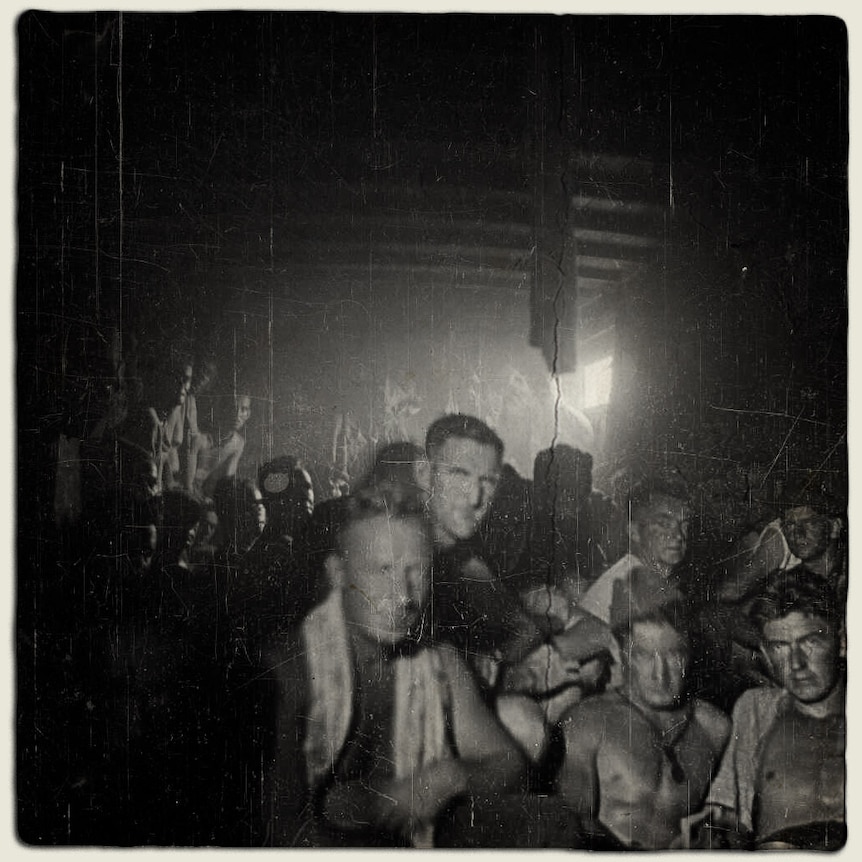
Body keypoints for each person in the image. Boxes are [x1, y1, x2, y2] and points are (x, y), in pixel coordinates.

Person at [262, 481, 528, 847]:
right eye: (382, 570)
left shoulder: (436, 659)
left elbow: (507, 763)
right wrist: (369, 807)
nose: (403, 596)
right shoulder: (287, 673)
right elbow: (274, 833)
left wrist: (447, 777)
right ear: (337, 573)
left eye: (416, 571)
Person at [556, 568, 730, 850]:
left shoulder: (714, 727)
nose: (660, 675)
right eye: (644, 655)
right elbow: (571, 821)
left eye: (674, 655)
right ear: (616, 648)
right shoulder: (588, 720)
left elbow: (723, 823)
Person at [694, 567, 846, 850]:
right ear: (765, 654)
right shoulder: (756, 710)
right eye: (780, 647)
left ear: (842, 640)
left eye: (810, 642)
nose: (797, 664)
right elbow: (723, 818)